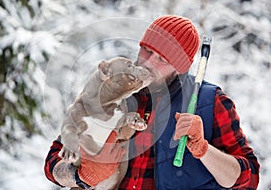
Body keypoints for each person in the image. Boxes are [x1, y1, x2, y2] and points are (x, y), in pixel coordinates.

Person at [44, 15, 260, 189]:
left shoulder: (210, 103)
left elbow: (248, 178)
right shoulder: (119, 92)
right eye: (146, 50)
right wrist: (80, 177)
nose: (147, 62)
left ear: (179, 68)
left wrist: (203, 149)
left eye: (162, 59)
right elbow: (53, 160)